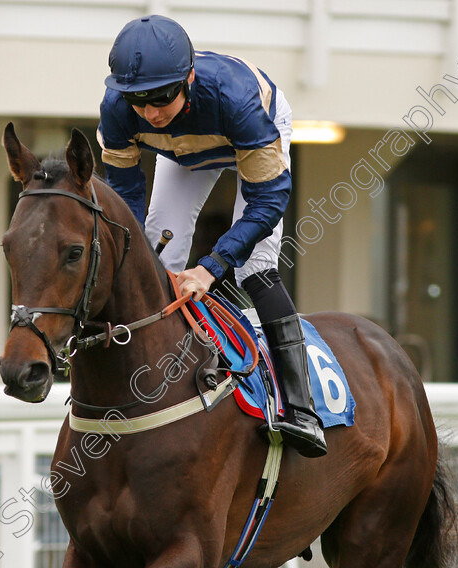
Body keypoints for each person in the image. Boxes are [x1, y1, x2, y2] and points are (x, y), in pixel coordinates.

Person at [97, 15, 326, 457]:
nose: (151, 113)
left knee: (255, 269)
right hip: (182, 155)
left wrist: (212, 267)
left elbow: (268, 201)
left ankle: (302, 409)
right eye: (138, 101)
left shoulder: (236, 100)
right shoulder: (115, 109)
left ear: (188, 77)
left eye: (162, 97)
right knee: (157, 261)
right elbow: (125, 200)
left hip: (249, 130)